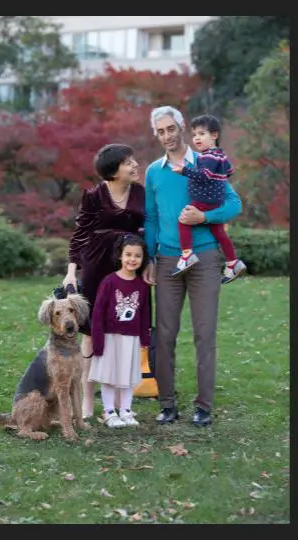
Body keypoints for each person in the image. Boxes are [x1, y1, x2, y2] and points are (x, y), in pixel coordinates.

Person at [143, 105, 242, 427]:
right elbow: (152, 218)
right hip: (169, 260)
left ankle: (204, 407)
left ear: (182, 127)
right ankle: (167, 404)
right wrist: (152, 258)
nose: (167, 135)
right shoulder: (154, 171)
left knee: (204, 333)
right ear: (156, 134)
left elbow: (233, 204)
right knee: (166, 334)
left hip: (206, 257)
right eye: (161, 131)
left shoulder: (207, 161)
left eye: (172, 128)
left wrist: (205, 217)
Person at [64, 143, 147, 419]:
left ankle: (120, 399)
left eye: (133, 160)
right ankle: (88, 400)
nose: (135, 165)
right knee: (91, 333)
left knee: (124, 330)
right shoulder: (94, 195)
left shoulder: (141, 193)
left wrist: (150, 262)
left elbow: (148, 228)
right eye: (128, 163)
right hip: (97, 264)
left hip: (129, 264)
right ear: (112, 172)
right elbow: (80, 233)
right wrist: (70, 271)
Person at [169, 114, 247, 284]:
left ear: (214, 135)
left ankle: (187, 255)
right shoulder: (221, 155)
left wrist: (184, 171)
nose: (197, 138)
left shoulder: (206, 157)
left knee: (183, 220)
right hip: (215, 202)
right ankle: (233, 262)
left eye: (202, 134)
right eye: (195, 134)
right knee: (219, 232)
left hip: (203, 200)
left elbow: (204, 176)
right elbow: (229, 172)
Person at [89, 234, 151, 428]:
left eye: (137, 256)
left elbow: (145, 313)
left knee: (128, 376)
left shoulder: (142, 285)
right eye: (128, 254)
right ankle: (109, 411)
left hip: (131, 337)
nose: (132, 259)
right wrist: (97, 341)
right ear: (120, 256)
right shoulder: (109, 282)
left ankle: (125, 410)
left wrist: (145, 339)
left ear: (143, 259)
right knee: (109, 375)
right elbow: (98, 312)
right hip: (110, 336)